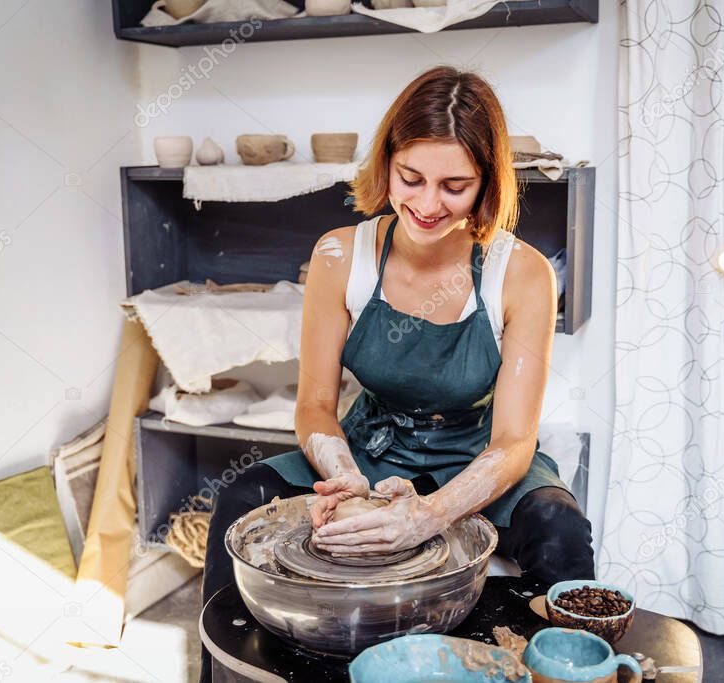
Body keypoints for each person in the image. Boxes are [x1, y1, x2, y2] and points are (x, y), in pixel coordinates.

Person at [199, 66, 594, 681]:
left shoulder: (523, 273)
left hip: (479, 449)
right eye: (410, 178)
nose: (428, 204)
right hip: (369, 444)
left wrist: (432, 515)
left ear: (488, 183)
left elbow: (515, 441)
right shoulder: (339, 256)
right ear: (386, 164)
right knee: (240, 498)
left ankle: (559, 669)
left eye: (455, 186)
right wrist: (349, 482)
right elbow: (314, 407)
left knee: (559, 527)